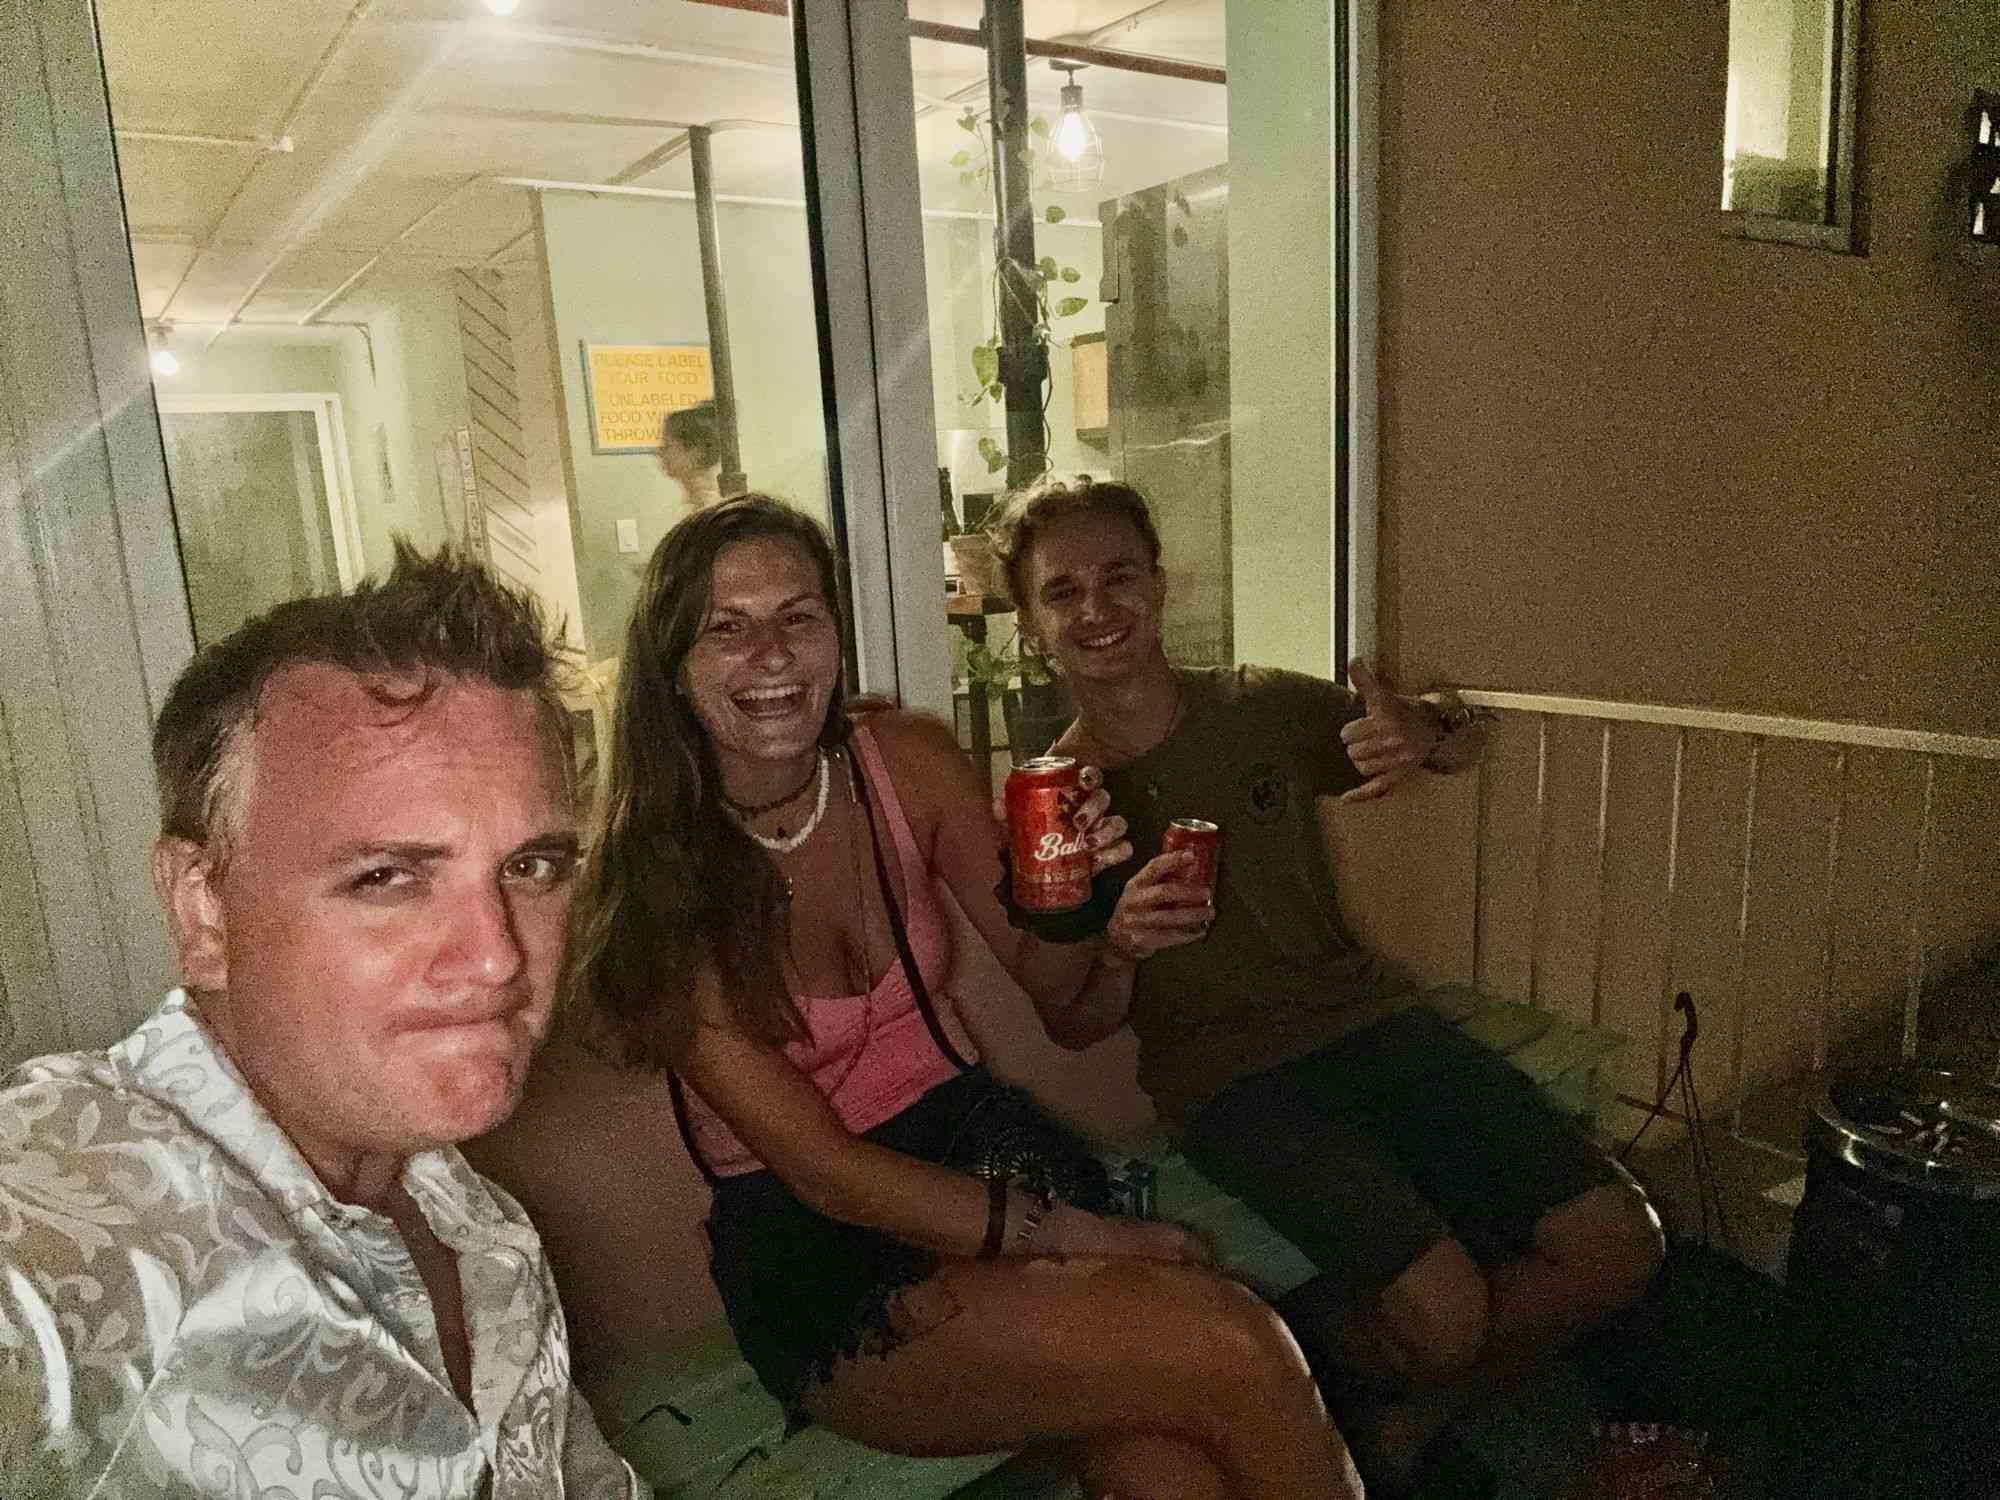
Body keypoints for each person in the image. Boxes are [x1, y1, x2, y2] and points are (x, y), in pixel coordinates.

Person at [567, 494, 1361, 1500]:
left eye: (798, 616)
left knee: (1168, 1471)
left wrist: (1093, 921)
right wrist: (1088, 1234)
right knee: (1237, 1341)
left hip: (981, 1147)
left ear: (835, 636)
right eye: (727, 628)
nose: (772, 653)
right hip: (826, 1248)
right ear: (672, 666)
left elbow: (1070, 1012)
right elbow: (827, 1175)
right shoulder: (655, 884)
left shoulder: (904, 765)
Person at [986, 476, 1667, 1498]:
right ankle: (1309, 1382)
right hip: (1230, 1082)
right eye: (1062, 592)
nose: (1096, 609)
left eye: (1118, 576)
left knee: (1619, 1245)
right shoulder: (1058, 804)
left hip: (1372, 1025)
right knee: (1443, 1315)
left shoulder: (1256, 707)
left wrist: (1428, 730)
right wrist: (1118, 947)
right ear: (1033, 626)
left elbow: (1458, 738)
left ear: (1160, 585)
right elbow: (1071, 1021)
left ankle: (1392, 1421)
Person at [0, 544, 647, 1498]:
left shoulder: (481, 1230)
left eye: (530, 867)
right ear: (203, 909)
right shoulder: (75, 1237)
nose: (498, 958)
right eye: (387, 877)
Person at [658, 401, 724, 510]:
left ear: (695, 450)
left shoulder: (710, 505)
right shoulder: (692, 503)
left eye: (667, 445)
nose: (660, 453)